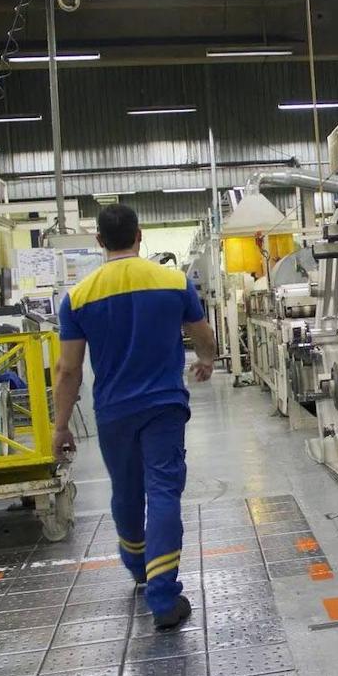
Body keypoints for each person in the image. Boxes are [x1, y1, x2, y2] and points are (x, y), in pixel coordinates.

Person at [52, 204, 217, 632]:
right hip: (164, 407)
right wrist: (206, 360)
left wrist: (60, 425)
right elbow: (201, 333)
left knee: (126, 493)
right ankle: (163, 597)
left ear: (99, 241)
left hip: (114, 412)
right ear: (139, 235)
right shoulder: (173, 281)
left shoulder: (78, 297)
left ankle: (139, 565)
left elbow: (68, 370)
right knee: (163, 491)